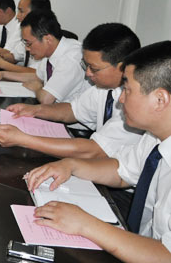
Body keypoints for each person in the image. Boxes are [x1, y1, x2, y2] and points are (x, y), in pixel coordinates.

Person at [25, 41, 171, 262]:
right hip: (135, 239)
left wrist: (85, 224)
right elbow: (121, 171)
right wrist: (71, 165)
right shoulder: (155, 137)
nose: (121, 99)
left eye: (128, 90)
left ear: (160, 100)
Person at [0, 23, 142, 158]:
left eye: (94, 68)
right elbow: (72, 110)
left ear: (122, 67)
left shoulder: (136, 102)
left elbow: (94, 150)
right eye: (86, 65)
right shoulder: (103, 89)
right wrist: (35, 110)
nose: (88, 73)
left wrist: (23, 139)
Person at [0, 10, 89, 104]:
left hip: (70, 114)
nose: (27, 48)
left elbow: (46, 99)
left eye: (29, 43)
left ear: (48, 39)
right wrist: (3, 75)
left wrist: (37, 88)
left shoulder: (70, 58)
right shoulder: (50, 51)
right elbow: (37, 77)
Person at [0, 0, 52, 73]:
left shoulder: (46, 38)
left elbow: (36, 74)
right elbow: (14, 56)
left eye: (21, 11)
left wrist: (2, 64)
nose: (17, 16)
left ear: (36, 13)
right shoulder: (29, 36)